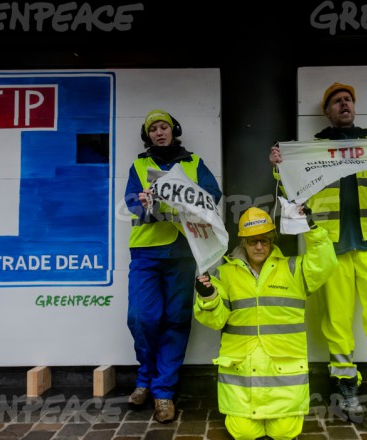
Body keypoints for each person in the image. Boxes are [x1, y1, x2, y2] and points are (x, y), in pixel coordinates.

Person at [268, 82, 367, 423]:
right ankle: (346, 386)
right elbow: (293, 190)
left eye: (348, 100)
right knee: (337, 320)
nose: (344, 104)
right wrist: (279, 166)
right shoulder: (313, 150)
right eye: (337, 101)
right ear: (327, 112)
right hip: (331, 245)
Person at [194, 207, 336, 440]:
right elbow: (215, 319)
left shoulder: (294, 268)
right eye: (252, 241)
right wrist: (207, 296)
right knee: (244, 434)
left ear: (271, 240)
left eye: (264, 240)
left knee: (284, 433)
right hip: (242, 372)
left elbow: (325, 262)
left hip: (283, 374)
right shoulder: (224, 273)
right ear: (243, 242)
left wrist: (311, 228)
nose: (259, 246)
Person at [125, 109, 223, 423]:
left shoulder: (193, 163)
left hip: (183, 251)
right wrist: (138, 201)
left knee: (176, 320)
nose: (159, 132)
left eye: (163, 126)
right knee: (142, 317)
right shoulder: (140, 165)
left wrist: (190, 201)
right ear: (148, 135)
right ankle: (145, 379)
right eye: (152, 128)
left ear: (173, 130)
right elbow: (127, 201)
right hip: (146, 251)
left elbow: (213, 195)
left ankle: (163, 391)